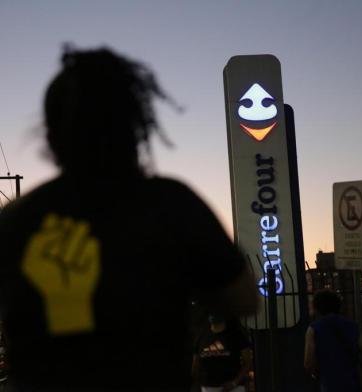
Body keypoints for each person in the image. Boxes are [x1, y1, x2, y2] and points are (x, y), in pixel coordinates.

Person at [0, 46, 258, 392]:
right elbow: (243, 299)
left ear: (50, 134)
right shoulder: (173, 205)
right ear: (136, 126)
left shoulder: (16, 220)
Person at [304, 289, 362, 392]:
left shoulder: (313, 329)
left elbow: (308, 363)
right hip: (352, 383)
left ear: (317, 308)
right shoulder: (352, 326)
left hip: (329, 383)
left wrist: (316, 374)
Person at [192, 315, 252, 392]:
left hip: (234, 387)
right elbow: (195, 366)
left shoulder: (237, 336)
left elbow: (248, 362)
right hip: (208, 387)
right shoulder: (201, 337)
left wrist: (234, 382)